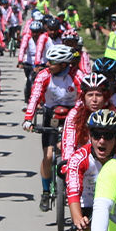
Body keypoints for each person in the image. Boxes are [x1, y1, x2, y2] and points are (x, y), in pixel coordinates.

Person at [23, 45, 83, 212]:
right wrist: (28, 118)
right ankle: (46, 191)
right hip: (51, 115)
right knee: (48, 156)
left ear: (64, 64)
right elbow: (34, 97)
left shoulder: (77, 75)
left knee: (73, 153)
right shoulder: (44, 75)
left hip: (73, 115)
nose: (47, 64)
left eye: (52, 62)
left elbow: (84, 97)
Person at [61, 72, 116, 164]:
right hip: (81, 162)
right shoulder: (75, 113)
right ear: (84, 97)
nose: (94, 99)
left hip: (110, 162)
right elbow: (69, 143)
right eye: (90, 95)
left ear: (105, 97)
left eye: (98, 95)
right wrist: (67, 163)